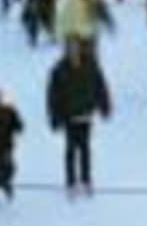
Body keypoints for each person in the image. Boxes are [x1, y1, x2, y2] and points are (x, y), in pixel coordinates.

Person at [48, 41, 113, 196]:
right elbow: (53, 95)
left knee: (85, 148)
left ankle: (86, 180)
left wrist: (104, 106)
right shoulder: (59, 69)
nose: (73, 52)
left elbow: (100, 85)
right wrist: (55, 116)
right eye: (70, 49)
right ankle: (71, 182)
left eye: (76, 49)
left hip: (85, 112)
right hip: (68, 114)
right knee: (70, 149)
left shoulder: (90, 65)